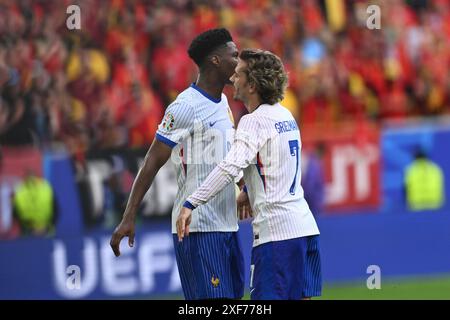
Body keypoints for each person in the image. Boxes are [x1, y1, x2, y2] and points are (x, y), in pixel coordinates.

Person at [110, 28, 245, 300]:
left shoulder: (223, 102)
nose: (239, 62)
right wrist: (128, 216)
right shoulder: (185, 106)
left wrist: (243, 187)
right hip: (198, 228)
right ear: (215, 60)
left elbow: (226, 157)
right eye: (234, 55)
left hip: (227, 225)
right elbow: (152, 161)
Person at [177, 49, 322, 300]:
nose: (232, 77)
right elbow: (276, 165)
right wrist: (247, 190)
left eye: (239, 73)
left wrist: (191, 202)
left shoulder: (253, 122)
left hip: (276, 238)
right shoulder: (286, 116)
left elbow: (228, 167)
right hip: (305, 230)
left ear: (252, 84)